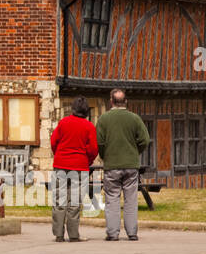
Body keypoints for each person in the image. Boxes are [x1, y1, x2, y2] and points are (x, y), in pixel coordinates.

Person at [95, 88, 150, 241]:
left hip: (111, 165)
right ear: (125, 101)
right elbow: (145, 140)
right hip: (131, 165)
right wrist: (134, 152)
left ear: (111, 101)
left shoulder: (103, 119)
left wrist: (105, 155)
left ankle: (113, 233)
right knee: (130, 199)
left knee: (112, 199)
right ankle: (132, 232)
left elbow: (99, 142)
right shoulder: (134, 118)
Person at [49, 97, 99, 242]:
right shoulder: (89, 126)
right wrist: (87, 160)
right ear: (86, 111)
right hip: (79, 166)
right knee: (74, 201)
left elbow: (54, 141)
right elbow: (93, 149)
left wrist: (58, 155)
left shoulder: (63, 123)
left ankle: (58, 234)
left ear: (72, 109)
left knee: (59, 200)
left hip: (60, 165)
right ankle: (73, 234)